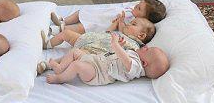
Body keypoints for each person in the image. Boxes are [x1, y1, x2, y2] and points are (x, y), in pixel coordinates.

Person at [39, 33, 169, 85]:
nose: (145, 47)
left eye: (147, 50)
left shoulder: (136, 67)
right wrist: (121, 46)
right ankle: (60, 67)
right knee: (74, 52)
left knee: (77, 65)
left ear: (145, 63)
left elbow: (126, 61)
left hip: (97, 73)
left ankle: (59, 78)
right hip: (95, 60)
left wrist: (116, 45)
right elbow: (119, 55)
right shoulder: (134, 55)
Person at [50, 0, 166, 35]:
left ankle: (57, 30)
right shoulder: (132, 10)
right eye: (138, 4)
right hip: (101, 13)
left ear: (144, 18)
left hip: (103, 21)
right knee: (81, 12)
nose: (136, 6)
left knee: (82, 27)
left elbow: (123, 30)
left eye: (139, 8)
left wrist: (121, 22)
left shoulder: (135, 23)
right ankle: (63, 21)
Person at [43, 15, 156, 52]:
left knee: (67, 35)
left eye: (133, 24)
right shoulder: (121, 35)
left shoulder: (135, 47)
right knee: (67, 34)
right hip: (89, 42)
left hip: (93, 48)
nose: (129, 24)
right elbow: (108, 32)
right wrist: (118, 23)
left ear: (141, 36)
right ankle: (48, 42)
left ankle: (48, 46)